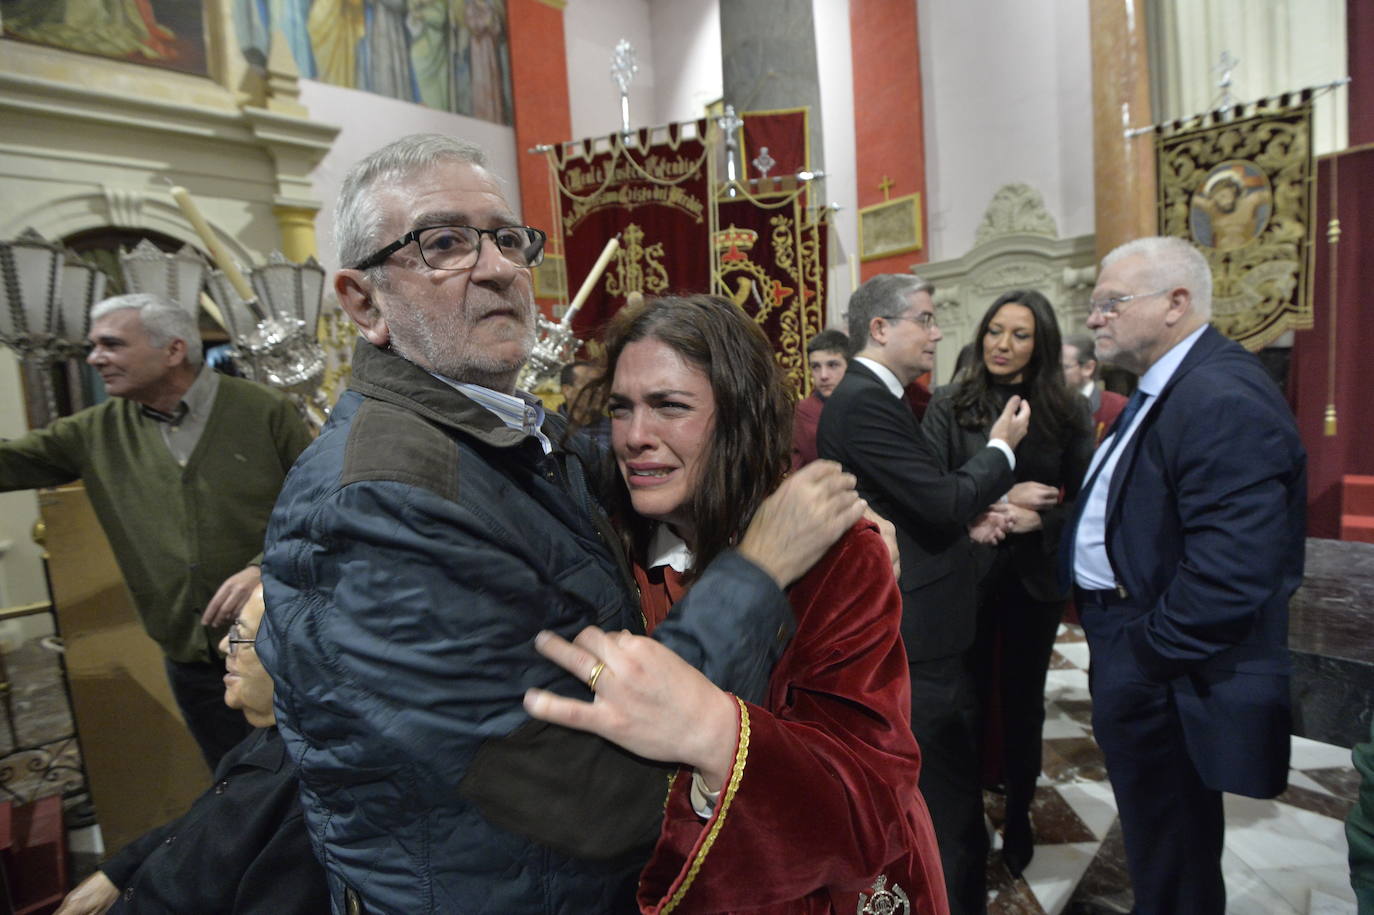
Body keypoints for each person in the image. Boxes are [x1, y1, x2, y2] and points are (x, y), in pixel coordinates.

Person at [259, 133, 865, 913]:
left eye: (509, 239)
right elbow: (593, 793)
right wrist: (758, 566)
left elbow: (561, 470)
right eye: (444, 243)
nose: (502, 267)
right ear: (364, 301)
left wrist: (781, 481)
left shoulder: (481, 437)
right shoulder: (378, 504)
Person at [524, 293, 948, 914]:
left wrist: (715, 736)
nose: (636, 437)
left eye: (670, 406)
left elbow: (867, 802)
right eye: (622, 409)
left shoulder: (838, 555)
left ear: (740, 417)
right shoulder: (609, 537)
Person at [1063, 236, 1305, 914]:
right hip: (1135, 641)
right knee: (1162, 837)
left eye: (1112, 303)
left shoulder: (1219, 394)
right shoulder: (1172, 386)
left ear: (1177, 303)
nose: (1096, 319)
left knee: (1173, 845)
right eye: (1094, 304)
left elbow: (1233, 572)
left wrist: (1141, 656)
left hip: (1164, 663)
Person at [0, 292, 311, 770]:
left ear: (173, 350)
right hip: (193, 659)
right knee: (232, 782)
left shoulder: (263, 410)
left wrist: (263, 568)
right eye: (94, 345)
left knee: (307, 778)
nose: (94, 358)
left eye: (111, 345)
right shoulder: (92, 431)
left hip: (282, 643)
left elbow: (320, 508)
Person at [817, 273, 1030, 915]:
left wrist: (967, 519)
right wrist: (1001, 448)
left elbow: (913, 504)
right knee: (944, 798)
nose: (938, 332)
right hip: (917, 629)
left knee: (948, 790)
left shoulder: (882, 397)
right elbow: (939, 500)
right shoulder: (862, 401)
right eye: (926, 319)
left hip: (928, 619)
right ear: (881, 328)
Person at [923, 290, 1093, 877]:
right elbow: (934, 493)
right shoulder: (949, 404)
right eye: (995, 329)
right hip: (964, 578)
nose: (1003, 344)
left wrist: (1039, 518)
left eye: (1019, 335)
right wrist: (1001, 499)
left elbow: (1089, 504)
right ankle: (962, 828)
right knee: (962, 708)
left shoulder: (1066, 411)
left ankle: (1020, 814)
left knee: (1023, 708)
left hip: (1030, 580)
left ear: (1039, 343)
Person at [54, 586, 327, 915]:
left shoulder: (307, 801)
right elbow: (202, 823)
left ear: (291, 660)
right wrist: (116, 873)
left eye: (239, 636)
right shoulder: (269, 733)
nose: (225, 645)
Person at [792, 328, 848, 468]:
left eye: (832, 365)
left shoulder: (869, 403)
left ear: (850, 365)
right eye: (816, 367)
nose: (823, 375)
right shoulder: (803, 411)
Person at [1062, 332, 1127, 446]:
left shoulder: (1117, 408)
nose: (1053, 374)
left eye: (1062, 367)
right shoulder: (1043, 405)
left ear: (1088, 368)